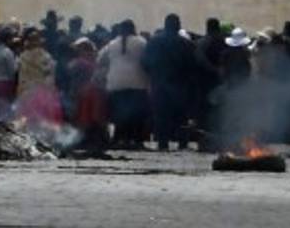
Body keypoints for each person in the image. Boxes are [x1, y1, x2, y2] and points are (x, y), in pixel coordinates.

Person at [142, 14, 197, 151]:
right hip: (180, 86)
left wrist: (154, 75)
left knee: (161, 116)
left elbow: (144, 63)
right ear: (178, 26)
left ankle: (162, 143)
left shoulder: (154, 42)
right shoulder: (186, 44)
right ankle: (182, 144)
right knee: (181, 117)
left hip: (159, 85)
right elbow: (192, 66)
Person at [98, 19, 150, 149]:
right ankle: (137, 140)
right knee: (137, 113)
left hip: (116, 83)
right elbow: (149, 60)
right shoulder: (142, 42)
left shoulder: (112, 44)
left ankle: (119, 139)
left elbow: (100, 59)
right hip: (138, 83)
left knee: (119, 113)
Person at [66, 38, 108, 150]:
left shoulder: (78, 63)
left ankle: (84, 140)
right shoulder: (93, 62)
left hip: (85, 94)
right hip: (90, 93)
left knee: (84, 118)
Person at [194, 18, 229, 151]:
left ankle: (206, 143)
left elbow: (199, 58)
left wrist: (212, 70)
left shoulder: (204, 42)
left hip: (206, 84)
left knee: (206, 115)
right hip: (220, 83)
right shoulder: (224, 41)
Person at [17, 28, 63, 126]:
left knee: (28, 118)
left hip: (27, 90)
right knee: (43, 118)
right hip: (42, 91)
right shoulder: (45, 56)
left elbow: (21, 75)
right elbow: (50, 73)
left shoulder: (22, 56)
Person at [0, 26, 19, 118]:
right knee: (7, 111)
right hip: (7, 83)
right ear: (7, 39)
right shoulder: (7, 52)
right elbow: (12, 70)